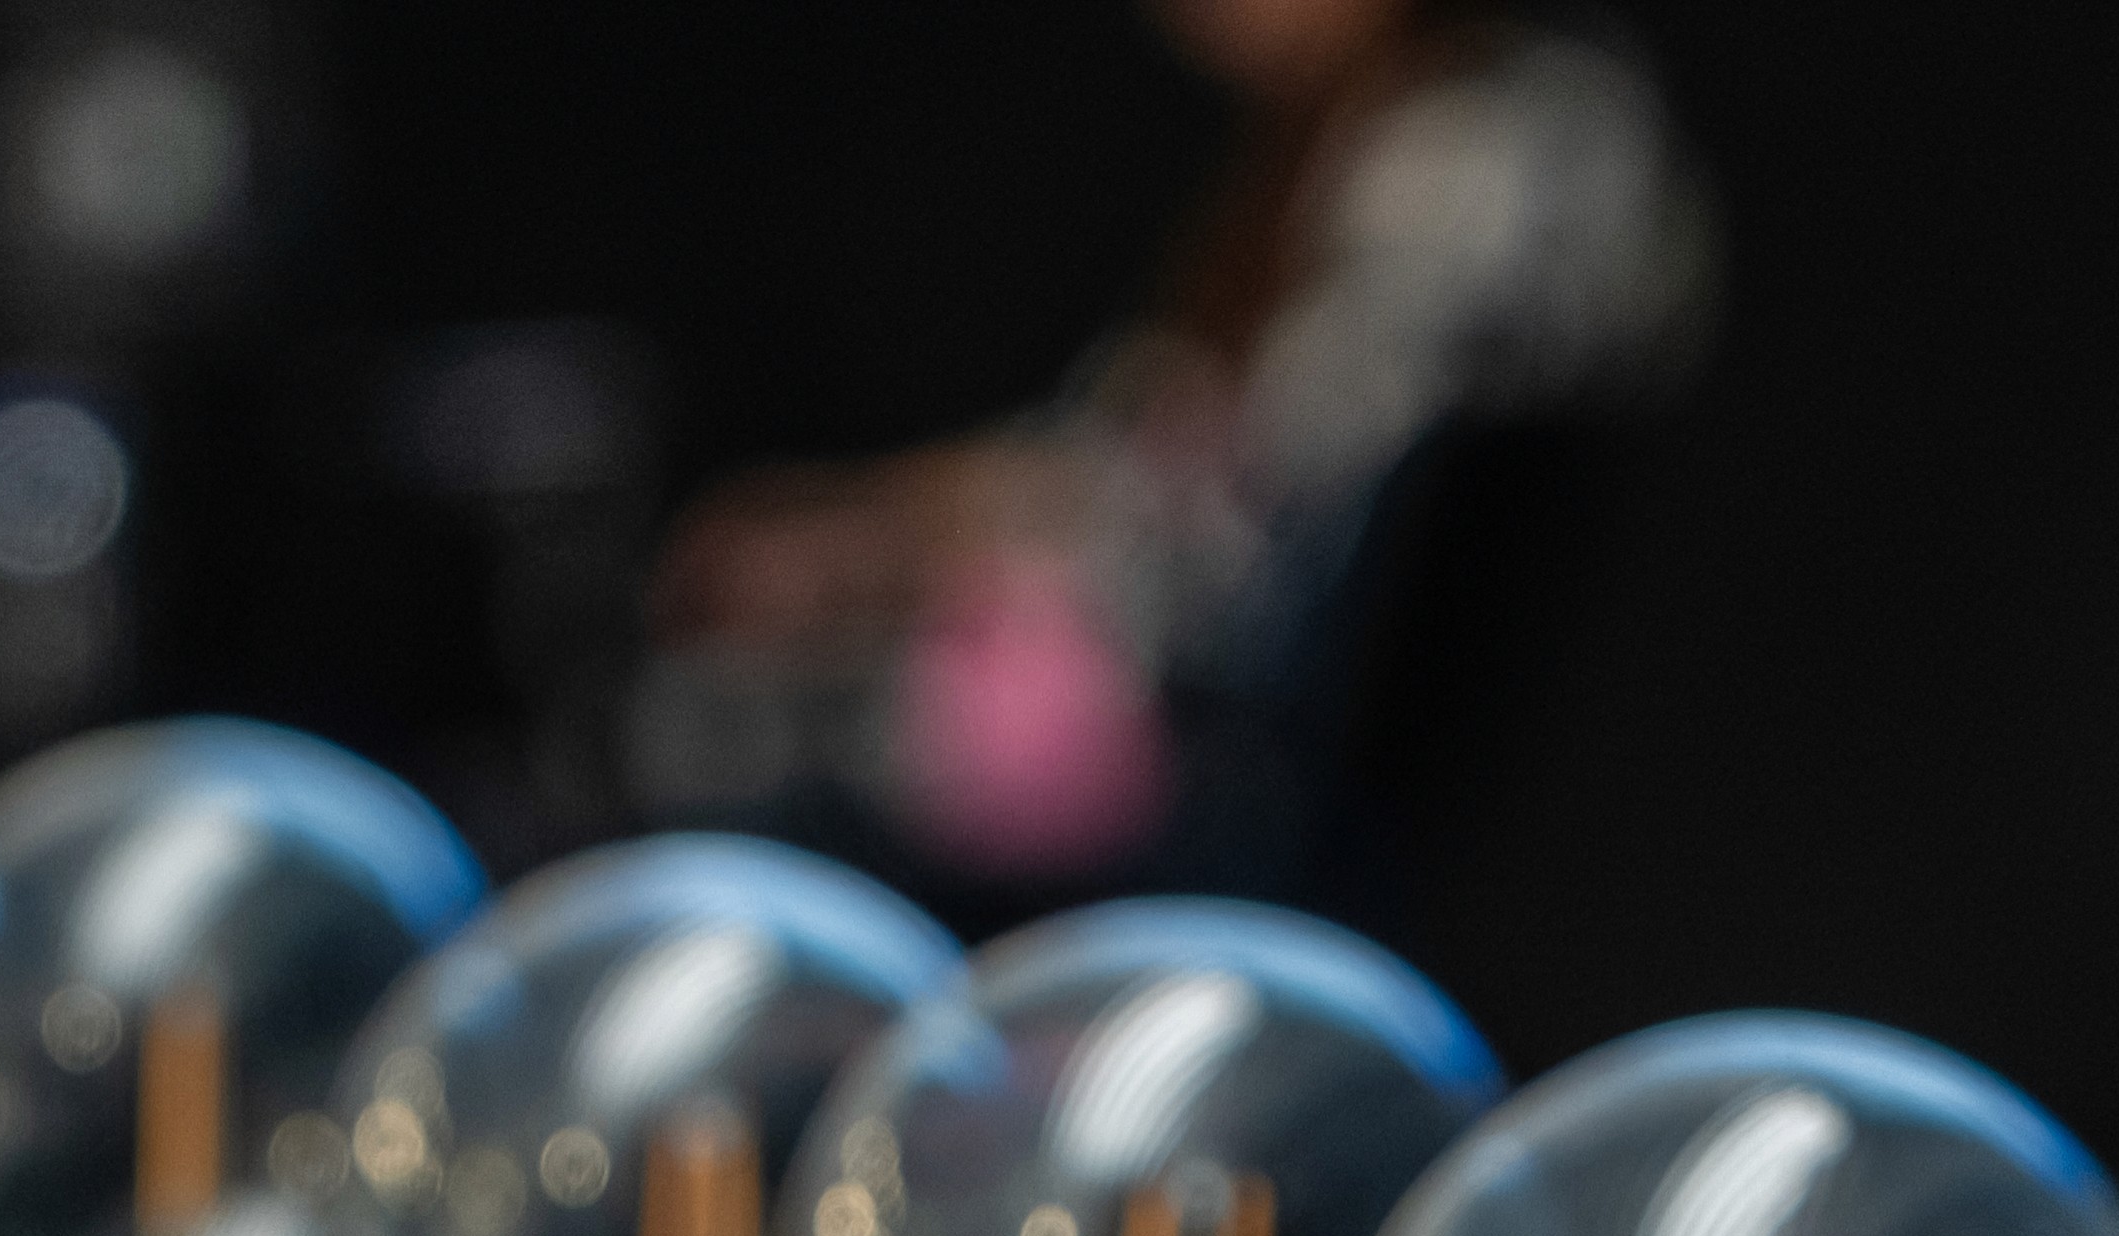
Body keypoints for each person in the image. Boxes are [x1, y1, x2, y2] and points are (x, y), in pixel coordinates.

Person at [640, 0, 1709, 894]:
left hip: (1267, 769)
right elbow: (1141, 448)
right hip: (1213, 730)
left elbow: (1251, 519)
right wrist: (881, 527)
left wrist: (888, 547)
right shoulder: (1312, 152)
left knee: (706, 754)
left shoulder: (1504, 145)